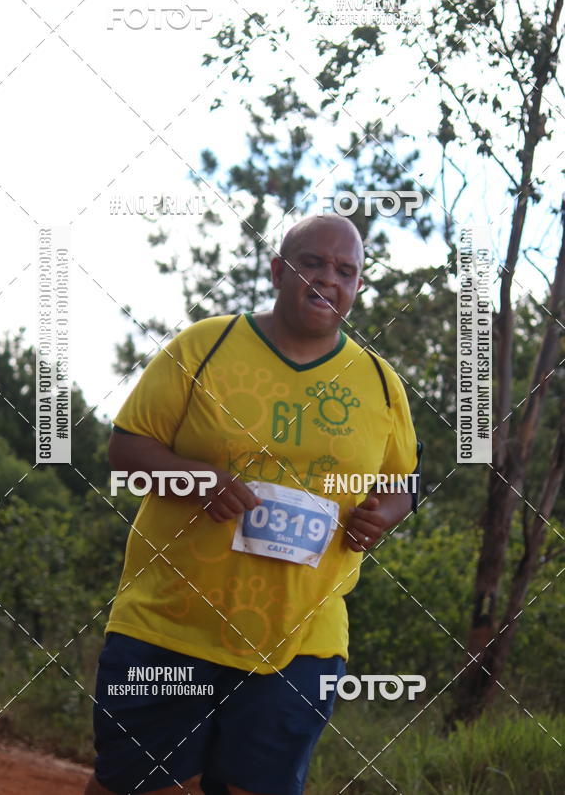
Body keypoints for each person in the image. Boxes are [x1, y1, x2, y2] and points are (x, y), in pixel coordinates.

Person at [84, 214, 420, 795]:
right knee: (136, 786)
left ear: (358, 286)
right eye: (312, 263)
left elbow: (404, 481)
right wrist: (195, 480)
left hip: (303, 639)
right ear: (278, 271)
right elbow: (126, 450)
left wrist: (386, 513)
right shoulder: (203, 346)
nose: (328, 278)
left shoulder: (380, 382)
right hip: (171, 624)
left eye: (345, 270)